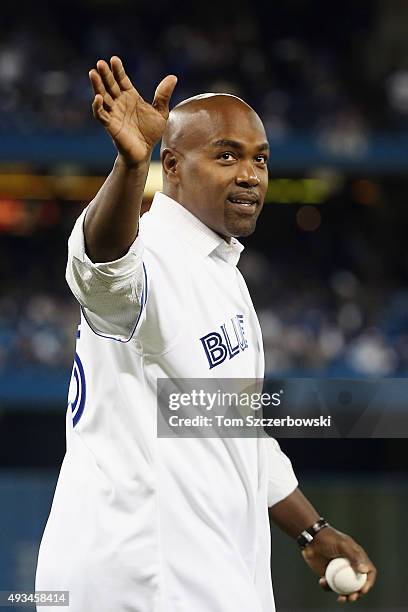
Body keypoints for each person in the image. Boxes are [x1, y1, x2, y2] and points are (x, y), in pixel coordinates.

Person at [35, 56, 376, 611]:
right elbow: (102, 269)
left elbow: (229, 423)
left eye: (260, 160)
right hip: (143, 579)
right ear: (171, 165)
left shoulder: (218, 269)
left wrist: (312, 532)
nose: (249, 174)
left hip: (199, 571)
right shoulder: (153, 255)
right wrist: (128, 166)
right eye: (226, 156)